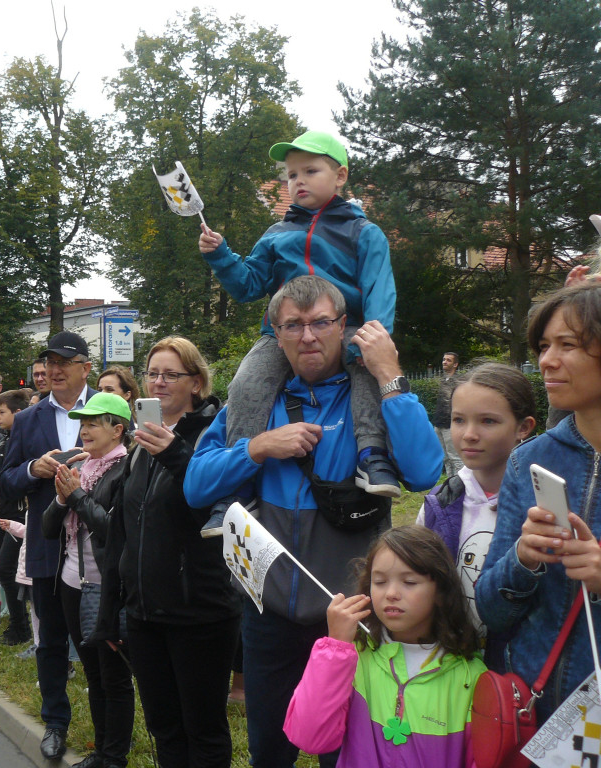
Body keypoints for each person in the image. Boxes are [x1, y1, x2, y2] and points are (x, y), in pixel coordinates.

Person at [185, 276, 442, 768]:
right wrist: (257, 448)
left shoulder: (367, 397)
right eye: (294, 325)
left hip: (352, 612)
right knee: (268, 749)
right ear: (275, 335)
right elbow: (196, 485)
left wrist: (389, 372)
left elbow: (424, 472)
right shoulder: (256, 404)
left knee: (344, 751)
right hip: (269, 613)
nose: (308, 336)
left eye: (321, 322)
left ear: (342, 327)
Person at [198, 130, 399, 537]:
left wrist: (377, 338)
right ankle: (238, 487)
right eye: (291, 175)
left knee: (368, 369)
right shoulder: (276, 234)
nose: (298, 181)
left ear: (340, 176)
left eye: (310, 170)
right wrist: (220, 255)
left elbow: (380, 287)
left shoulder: (364, 232)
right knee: (246, 382)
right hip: (282, 332)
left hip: (348, 326)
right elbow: (249, 285)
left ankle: (372, 455)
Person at [93, 337, 234, 768]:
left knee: (203, 730)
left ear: (196, 382)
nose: (158, 382)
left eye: (171, 374)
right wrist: (112, 609)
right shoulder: (141, 445)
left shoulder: (216, 436)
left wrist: (175, 454)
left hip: (199, 613)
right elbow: (123, 534)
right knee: (164, 726)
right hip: (145, 615)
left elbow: (216, 515)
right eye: (153, 373)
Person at [476, 282, 601, 722]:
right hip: (534, 707)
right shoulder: (530, 460)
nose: (546, 360)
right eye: (544, 345)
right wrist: (522, 560)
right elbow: (490, 608)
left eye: (567, 345)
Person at [284, 526, 486, 767]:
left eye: (409, 582)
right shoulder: (353, 659)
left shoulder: (470, 677)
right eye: (379, 581)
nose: (391, 593)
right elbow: (310, 738)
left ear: (440, 592)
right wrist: (334, 648)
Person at [0, 331, 98, 761]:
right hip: (47, 543)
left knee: (99, 644)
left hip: (98, 547)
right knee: (51, 641)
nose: (54, 369)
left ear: (85, 367)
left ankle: (110, 732)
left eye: (64, 361)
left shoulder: (110, 408)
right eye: (49, 362)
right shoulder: (28, 419)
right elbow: (3, 482)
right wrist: (32, 470)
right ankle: (55, 723)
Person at [43, 392, 135, 768]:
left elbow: (115, 530)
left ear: (118, 430)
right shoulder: (82, 467)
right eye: (82, 424)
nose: (84, 431)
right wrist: (65, 497)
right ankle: (101, 751)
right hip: (71, 583)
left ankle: (115, 756)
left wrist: (77, 495)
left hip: (106, 587)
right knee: (93, 673)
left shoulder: (126, 470)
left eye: (94, 423)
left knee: (113, 676)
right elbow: (49, 529)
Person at [417, 363, 536, 645]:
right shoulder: (439, 502)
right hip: (454, 660)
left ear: (523, 427)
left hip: (517, 667)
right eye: (459, 420)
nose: (469, 434)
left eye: (488, 421)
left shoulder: (541, 505)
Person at [0, 389, 32, 646]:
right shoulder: (0, 444)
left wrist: (0, 478)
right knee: (7, 571)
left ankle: (21, 627)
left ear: (18, 414)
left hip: (19, 517)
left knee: (8, 569)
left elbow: (21, 480)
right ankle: (18, 624)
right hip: (0, 515)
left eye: (2, 412)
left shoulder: (28, 445)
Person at [432, 352, 463, 476]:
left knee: (455, 457)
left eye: (448, 360)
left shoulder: (457, 382)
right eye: (444, 359)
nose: (444, 362)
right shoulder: (444, 380)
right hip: (438, 424)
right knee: (444, 457)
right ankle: (450, 483)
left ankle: (461, 484)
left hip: (450, 425)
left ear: (455, 364)